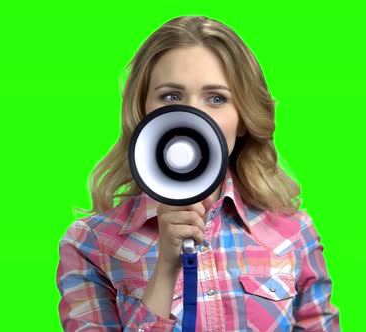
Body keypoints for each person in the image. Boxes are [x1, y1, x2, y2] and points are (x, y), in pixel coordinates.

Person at [56, 16, 340, 332]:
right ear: (142, 110)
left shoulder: (293, 234)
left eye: (216, 98)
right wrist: (165, 268)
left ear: (243, 117)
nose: (192, 116)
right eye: (171, 97)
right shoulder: (91, 244)